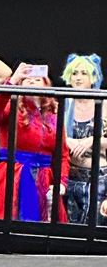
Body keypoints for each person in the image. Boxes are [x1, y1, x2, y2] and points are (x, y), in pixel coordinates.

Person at [0, 63, 69, 222]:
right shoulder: (11, 106)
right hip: (11, 177)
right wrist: (11, 82)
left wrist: (61, 183)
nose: (31, 81)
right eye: (26, 78)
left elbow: (63, 156)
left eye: (37, 78)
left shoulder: (54, 115)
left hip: (44, 181)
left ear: (46, 84)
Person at [61, 54, 107, 225]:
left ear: (93, 76)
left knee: (94, 228)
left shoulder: (104, 103)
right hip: (70, 177)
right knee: (69, 230)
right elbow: (48, 135)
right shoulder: (63, 103)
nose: (78, 77)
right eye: (74, 73)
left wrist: (93, 140)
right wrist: (65, 140)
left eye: (84, 73)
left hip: (99, 179)